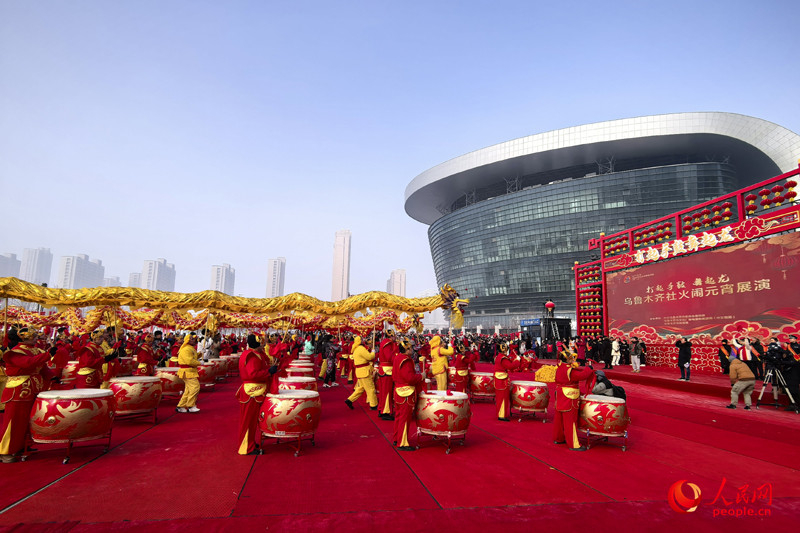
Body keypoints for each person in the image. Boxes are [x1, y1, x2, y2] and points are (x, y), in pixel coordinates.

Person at [0, 328, 56, 463]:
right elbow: (28, 363)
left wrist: (53, 377)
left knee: (29, 420)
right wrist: (48, 354)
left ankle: (23, 445)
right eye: (34, 336)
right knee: (14, 421)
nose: (37, 338)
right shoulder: (15, 352)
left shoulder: (36, 351)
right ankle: (5, 451)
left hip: (33, 387)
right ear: (24, 338)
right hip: (19, 390)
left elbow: (42, 367)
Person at [236, 334, 277, 455]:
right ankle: (246, 447)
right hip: (252, 392)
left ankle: (250, 442)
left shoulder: (256, 354)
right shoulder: (252, 356)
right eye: (262, 343)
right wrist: (268, 372)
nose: (264, 345)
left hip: (256, 390)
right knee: (249, 420)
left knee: (252, 420)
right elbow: (253, 374)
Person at [553, 350, 595, 451]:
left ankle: (558, 438)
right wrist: (588, 369)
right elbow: (581, 376)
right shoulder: (569, 370)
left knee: (559, 419)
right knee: (570, 421)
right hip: (569, 396)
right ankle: (573, 444)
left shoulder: (559, 367)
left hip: (560, 394)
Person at [392, 338, 423, 451]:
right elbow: (409, 378)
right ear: (406, 349)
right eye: (410, 348)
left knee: (399, 417)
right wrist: (421, 376)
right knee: (405, 418)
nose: (412, 350)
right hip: (406, 392)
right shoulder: (406, 360)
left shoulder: (398, 358)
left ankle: (397, 438)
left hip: (398, 390)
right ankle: (403, 442)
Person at [344, 335, 377, 410]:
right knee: (370, 388)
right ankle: (373, 405)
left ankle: (349, 400)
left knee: (361, 388)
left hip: (360, 371)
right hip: (364, 371)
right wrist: (373, 352)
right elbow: (369, 357)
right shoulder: (361, 349)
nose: (363, 340)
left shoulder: (356, 349)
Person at [494, 341, 520, 421]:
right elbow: (510, 366)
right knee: (503, 398)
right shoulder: (503, 358)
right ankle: (502, 415)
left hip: (498, 379)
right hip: (502, 381)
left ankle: (501, 414)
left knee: (500, 398)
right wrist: (517, 360)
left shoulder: (499, 356)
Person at [176, 333, 201, 413]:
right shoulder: (186, 349)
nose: (195, 340)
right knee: (195, 387)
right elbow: (189, 361)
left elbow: (194, 357)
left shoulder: (190, 348)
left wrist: (200, 353)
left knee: (188, 390)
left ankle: (181, 406)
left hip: (190, 371)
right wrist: (200, 363)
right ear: (188, 340)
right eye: (192, 339)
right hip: (187, 371)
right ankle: (191, 405)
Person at [377, 330, 398, 420]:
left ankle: (382, 409)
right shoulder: (388, 344)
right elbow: (390, 357)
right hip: (387, 370)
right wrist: (398, 358)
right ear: (391, 335)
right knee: (387, 392)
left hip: (385, 369)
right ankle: (385, 411)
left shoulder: (387, 343)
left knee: (383, 392)